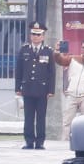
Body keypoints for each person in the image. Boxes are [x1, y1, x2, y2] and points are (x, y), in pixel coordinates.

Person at [15, 21, 56, 149]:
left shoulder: (48, 51)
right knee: (28, 117)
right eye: (33, 34)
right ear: (30, 35)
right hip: (27, 88)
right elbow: (19, 70)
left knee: (40, 117)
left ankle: (40, 142)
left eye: (38, 35)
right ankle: (29, 141)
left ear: (43, 36)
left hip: (42, 89)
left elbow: (51, 72)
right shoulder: (24, 50)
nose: (36, 37)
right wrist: (17, 87)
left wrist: (51, 90)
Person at [55, 38, 84, 139]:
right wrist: (57, 51)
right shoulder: (73, 59)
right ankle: (64, 141)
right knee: (67, 121)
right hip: (72, 94)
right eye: (83, 47)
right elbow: (60, 60)